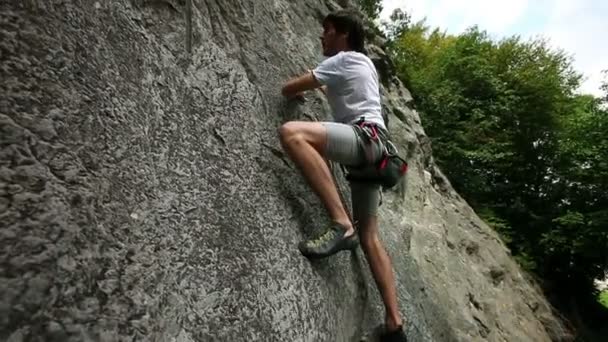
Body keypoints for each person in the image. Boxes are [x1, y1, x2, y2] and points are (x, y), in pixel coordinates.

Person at [278, 9, 408, 342]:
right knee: (370, 238)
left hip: (364, 141)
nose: (321, 36)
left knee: (293, 133)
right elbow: (342, 93)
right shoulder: (362, 65)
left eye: (327, 30)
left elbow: (289, 87)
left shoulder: (345, 58)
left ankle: (341, 223)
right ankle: (394, 323)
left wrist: (296, 90)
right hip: (376, 152)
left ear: (344, 34)